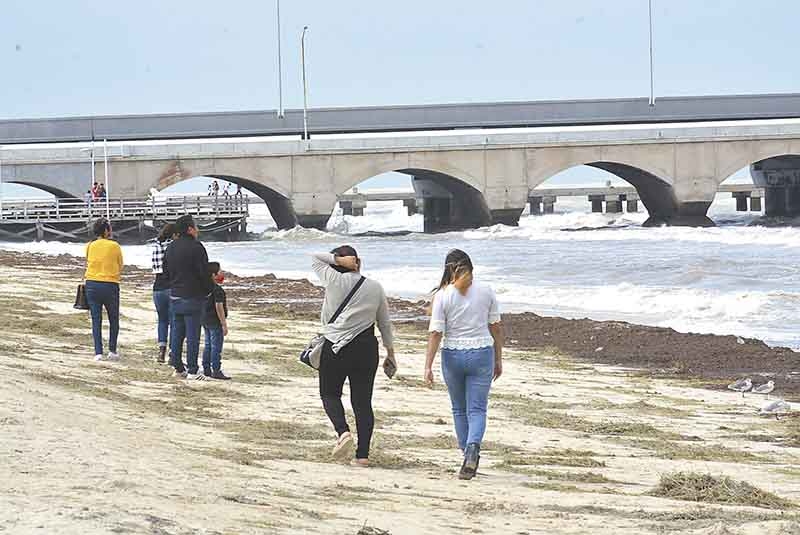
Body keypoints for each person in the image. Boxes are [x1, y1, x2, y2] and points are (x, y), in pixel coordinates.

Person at [312, 246, 396, 467]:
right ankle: (363, 456)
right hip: (366, 348)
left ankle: (343, 432)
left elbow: (315, 257)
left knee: (329, 394)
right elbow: (384, 323)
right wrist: (390, 352)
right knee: (362, 402)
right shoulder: (376, 287)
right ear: (358, 261)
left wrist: (338, 261)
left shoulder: (332, 279)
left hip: (335, 346)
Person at [424, 249, 504, 480]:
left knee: (459, 409)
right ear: (471, 267)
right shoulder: (486, 291)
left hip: (452, 355)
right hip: (482, 353)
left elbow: (436, 332)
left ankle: (466, 454)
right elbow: (496, 327)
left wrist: (428, 365)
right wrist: (498, 358)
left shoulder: (442, 295)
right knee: (477, 409)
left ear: (447, 269)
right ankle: (472, 449)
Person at [165, 215, 213, 380]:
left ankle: (178, 367)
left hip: (175, 295)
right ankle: (192, 370)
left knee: (177, 333)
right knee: (193, 335)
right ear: (189, 229)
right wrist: (208, 290)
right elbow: (204, 273)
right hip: (193, 296)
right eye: (195, 227)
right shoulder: (197, 247)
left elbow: (166, 272)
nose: (197, 230)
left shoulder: (170, 247)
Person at [84, 218, 123, 361]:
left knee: (96, 319)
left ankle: (98, 352)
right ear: (106, 230)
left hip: (92, 283)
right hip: (110, 283)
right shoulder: (114, 246)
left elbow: (88, 260)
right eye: (110, 228)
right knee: (113, 318)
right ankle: (112, 350)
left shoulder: (90, 245)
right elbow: (120, 265)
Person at [151, 223, 176, 363]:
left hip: (157, 287)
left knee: (162, 320)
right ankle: (173, 353)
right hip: (171, 285)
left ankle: (161, 352)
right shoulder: (172, 246)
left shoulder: (155, 245)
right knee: (174, 321)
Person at [201, 261, 230, 380]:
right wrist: (224, 324)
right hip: (215, 321)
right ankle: (216, 369)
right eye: (219, 271)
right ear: (213, 275)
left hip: (205, 319)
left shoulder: (203, 287)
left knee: (208, 345)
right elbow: (219, 307)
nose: (222, 272)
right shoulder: (218, 290)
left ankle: (206, 368)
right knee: (216, 347)